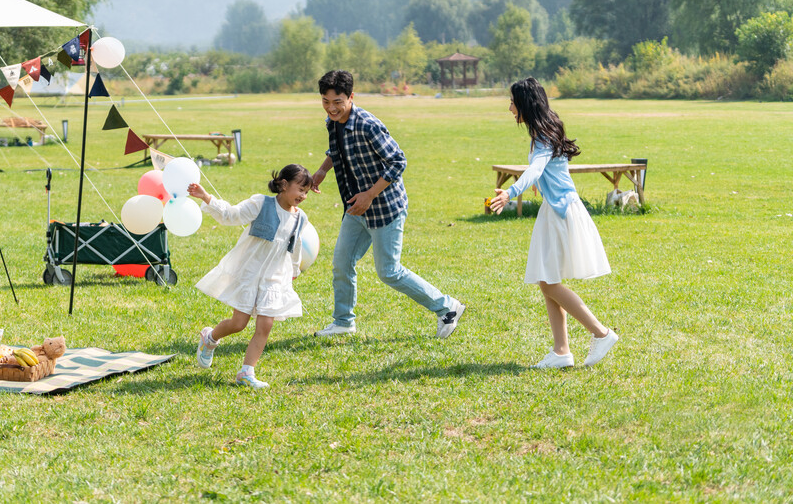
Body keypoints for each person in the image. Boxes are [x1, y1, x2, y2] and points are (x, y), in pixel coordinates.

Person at [310, 70, 466, 339]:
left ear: (351, 97)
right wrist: (323, 171)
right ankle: (343, 321)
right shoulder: (332, 122)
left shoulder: (367, 124)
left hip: (385, 209)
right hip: (356, 208)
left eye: (338, 102)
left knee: (389, 272)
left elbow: (398, 162)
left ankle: (447, 307)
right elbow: (337, 149)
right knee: (341, 263)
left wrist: (370, 194)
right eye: (326, 101)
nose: (331, 108)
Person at [489, 77, 619, 369]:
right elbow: (547, 170)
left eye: (512, 102)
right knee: (547, 281)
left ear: (524, 104)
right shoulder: (545, 128)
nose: (509, 107)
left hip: (561, 212)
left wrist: (510, 191)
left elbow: (536, 168)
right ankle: (561, 352)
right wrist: (541, 184)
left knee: (549, 282)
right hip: (555, 209)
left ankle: (601, 333)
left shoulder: (542, 136)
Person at [190, 164, 312, 389]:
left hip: (274, 278)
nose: (303, 196)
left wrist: (293, 272)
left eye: (306, 192)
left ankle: (246, 372)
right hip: (250, 272)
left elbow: (295, 246)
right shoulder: (261, 204)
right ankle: (210, 337)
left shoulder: (300, 217)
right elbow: (231, 215)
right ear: (283, 185)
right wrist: (207, 197)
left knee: (265, 325)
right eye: (300, 189)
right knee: (238, 323)